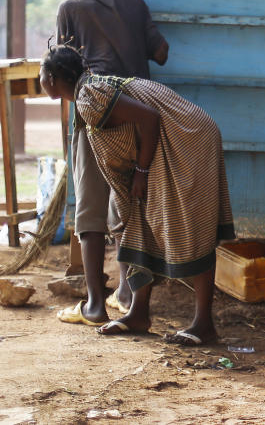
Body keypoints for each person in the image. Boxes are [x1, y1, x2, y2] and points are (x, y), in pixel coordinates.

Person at [40, 43, 235, 346]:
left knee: (189, 228)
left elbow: (150, 119)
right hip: (171, 143)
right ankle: (139, 314)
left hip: (187, 142)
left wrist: (142, 173)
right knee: (139, 227)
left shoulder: (89, 97)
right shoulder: (90, 91)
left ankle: (203, 324)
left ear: (52, 78)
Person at [53, 0, 170, 328]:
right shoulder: (134, 3)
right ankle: (125, 293)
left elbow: (64, 65)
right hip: (140, 110)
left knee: (91, 208)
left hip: (99, 109)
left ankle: (94, 304)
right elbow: (161, 52)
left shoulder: (70, 8)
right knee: (129, 204)